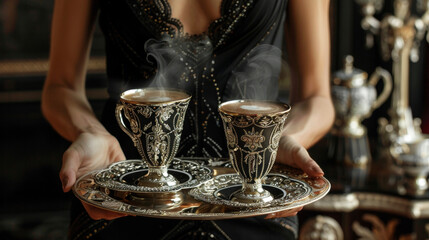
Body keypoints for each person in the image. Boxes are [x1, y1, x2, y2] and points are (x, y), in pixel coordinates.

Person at [41, 0, 334, 239]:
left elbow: (316, 98)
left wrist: (282, 140)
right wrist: (91, 132)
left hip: (256, 202)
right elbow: (61, 87)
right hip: (124, 197)